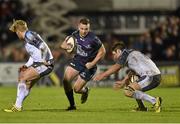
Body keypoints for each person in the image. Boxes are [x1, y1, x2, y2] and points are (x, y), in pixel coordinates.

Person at [94, 41, 162, 113]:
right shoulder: (131, 53)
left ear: (118, 51)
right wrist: (123, 81)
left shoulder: (125, 53)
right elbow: (133, 71)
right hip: (154, 75)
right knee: (130, 82)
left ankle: (154, 101)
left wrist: (102, 75)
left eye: (114, 54)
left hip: (151, 76)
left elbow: (116, 67)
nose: (113, 57)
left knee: (128, 91)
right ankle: (142, 107)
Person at [4, 20, 54, 112]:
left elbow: (43, 46)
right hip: (40, 63)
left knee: (22, 78)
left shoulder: (29, 35)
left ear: (18, 31)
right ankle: (18, 105)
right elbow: (33, 54)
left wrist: (45, 60)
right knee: (27, 84)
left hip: (44, 64)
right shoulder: (28, 37)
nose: (16, 35)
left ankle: (17, 106)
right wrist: (26, 65)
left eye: (16, 33)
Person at [60, 18, 106, 110]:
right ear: (78, 27)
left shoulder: (94, 38)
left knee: (77, 89)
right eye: (82, 28)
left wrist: (92, 63)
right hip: (77, 61)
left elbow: (103, 51)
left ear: (89, 28)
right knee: (65, 80)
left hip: (89, 66)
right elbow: (63, 44)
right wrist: (67, 46)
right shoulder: (74, 34)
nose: (84, 31)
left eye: (86, 29)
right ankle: (72, 106)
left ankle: (85, 91)